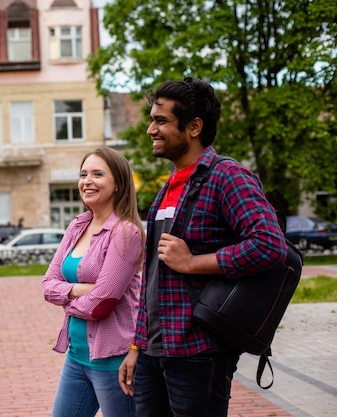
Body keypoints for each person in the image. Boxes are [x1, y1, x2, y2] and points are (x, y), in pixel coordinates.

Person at [119, 77, 288, 416]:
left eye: (161, 120)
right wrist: (138, 344)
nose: (151, 129)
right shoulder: (169, 185)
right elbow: (152, 275)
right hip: (156, 350)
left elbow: (269, 245)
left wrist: (193, 262)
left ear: (194, 126)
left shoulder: (227, 176)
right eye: (152, 119)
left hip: (199, 352)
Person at [42, 147, 144, 417]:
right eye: (83, 174)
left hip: (114, 362)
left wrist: (65, 299)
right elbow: (47, 284)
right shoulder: (77, 225)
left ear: (118, 184)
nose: (87, 180)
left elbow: (101, 305)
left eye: (98, 174)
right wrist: (77, 290)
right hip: (76, 357)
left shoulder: (126, 233)